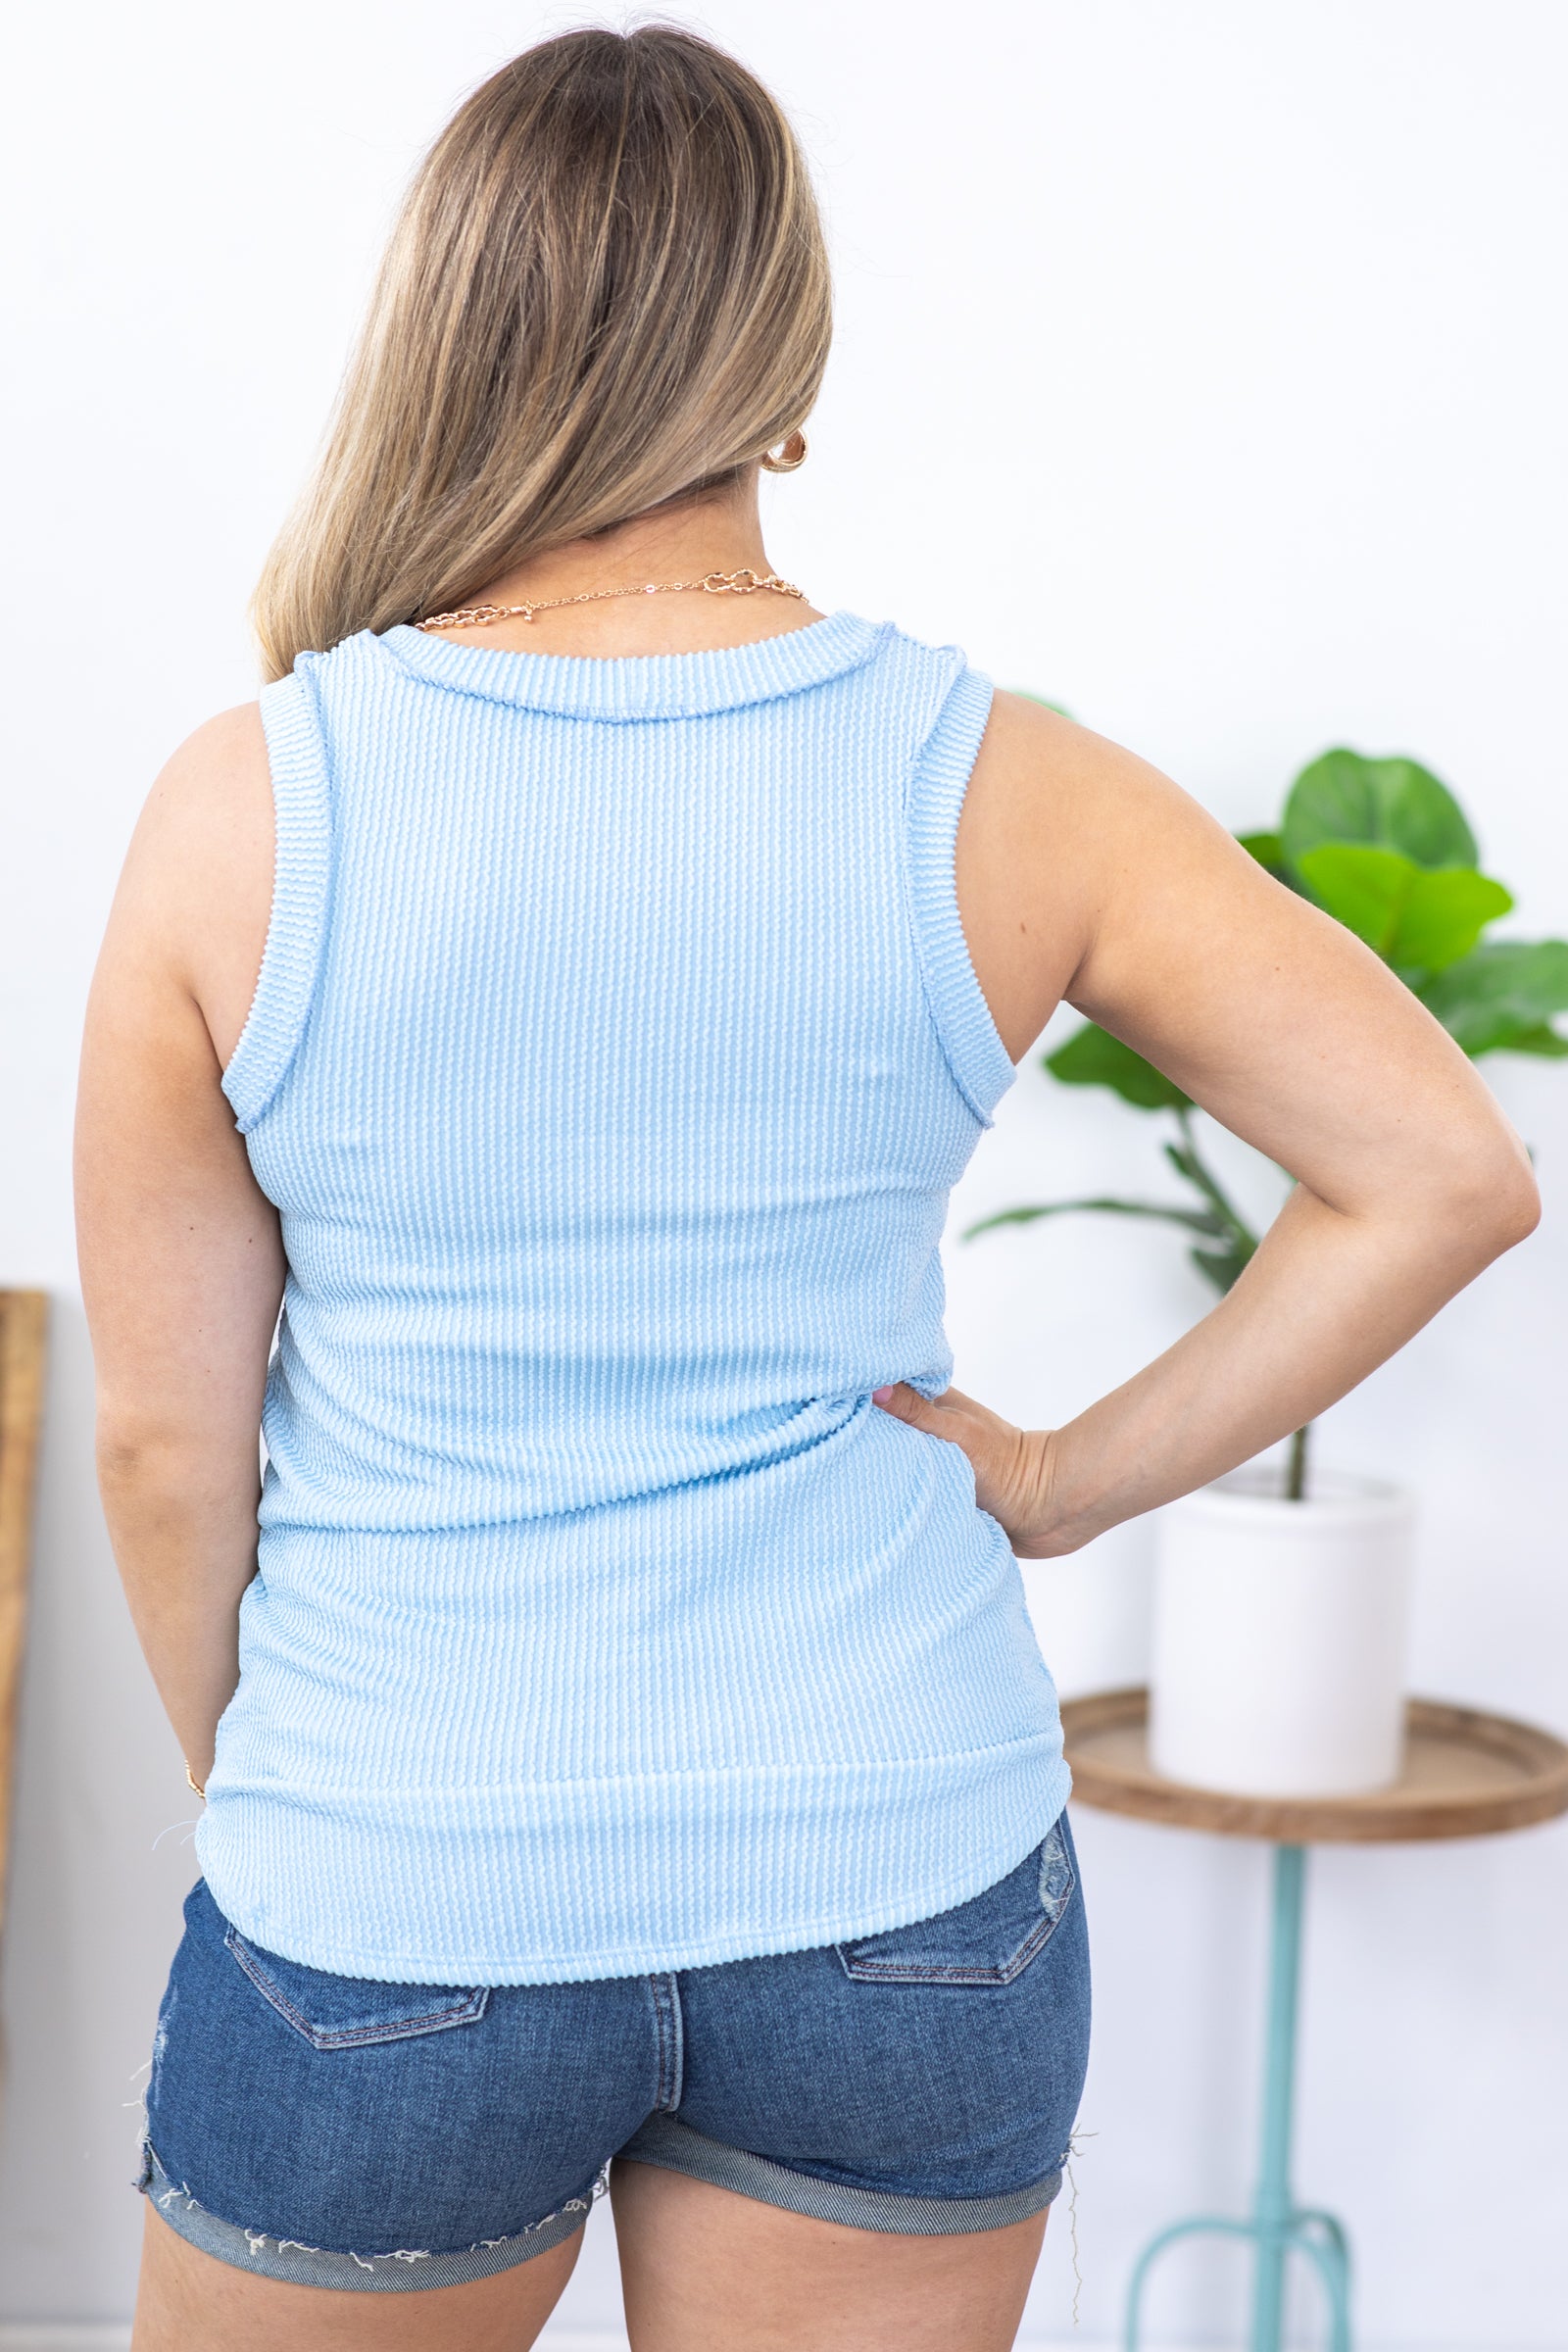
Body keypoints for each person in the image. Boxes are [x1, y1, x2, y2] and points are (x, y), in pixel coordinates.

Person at [74, 25, 1538, 2352]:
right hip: (900, 1890)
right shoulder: (1005, 787)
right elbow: (1437, 1168)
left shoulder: (249, 809)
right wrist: (1055, 1486)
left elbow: (161, 1445)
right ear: (786, 354)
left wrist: (290, 1802)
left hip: (401, 1873)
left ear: (446, 320)